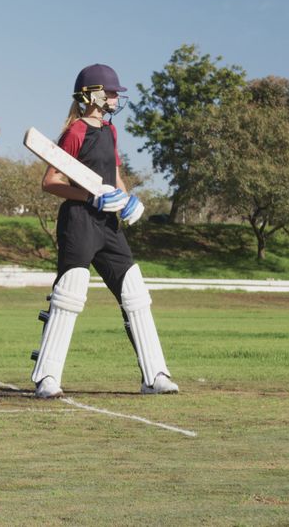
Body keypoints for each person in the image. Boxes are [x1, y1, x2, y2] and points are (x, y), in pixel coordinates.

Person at [30, 63, 179, 398]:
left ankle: (154, 375)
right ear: (93, 95)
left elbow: (113, 176)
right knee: (70, 292)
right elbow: (51, 181)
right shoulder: (75, 131)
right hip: (79, 221)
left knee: (135, 293)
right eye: (111, 92)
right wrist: (90, 197)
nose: (115, 98)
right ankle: (47, 379)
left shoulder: (110, 132)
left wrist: (128, 201)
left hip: (109, 225)